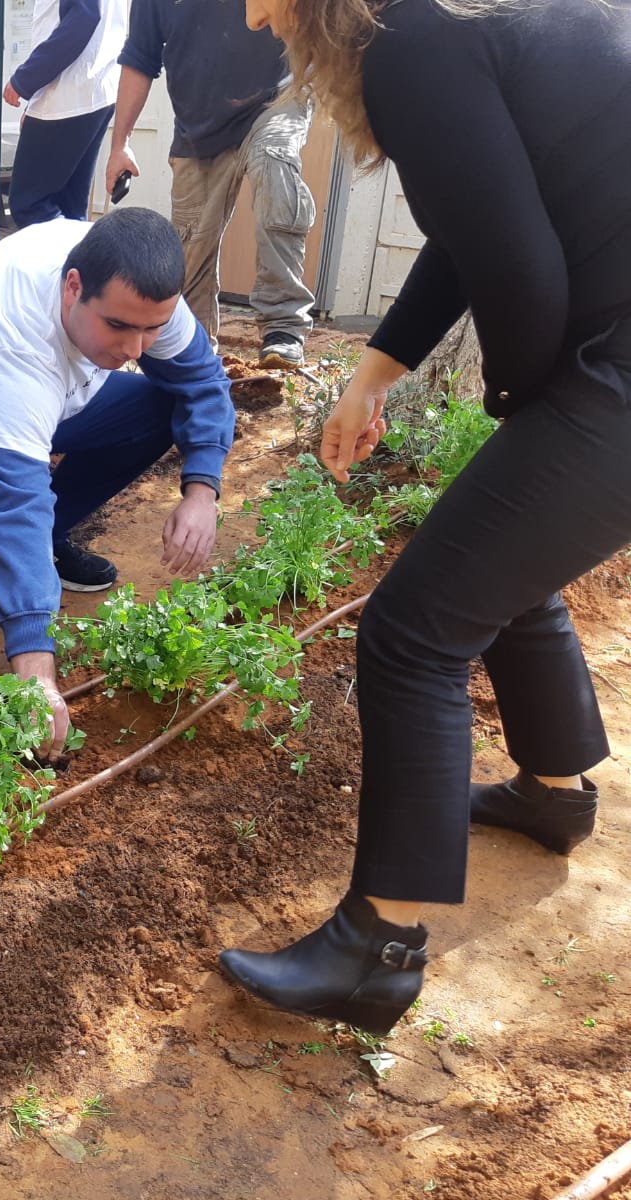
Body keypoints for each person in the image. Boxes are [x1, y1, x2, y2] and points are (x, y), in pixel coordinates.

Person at [218, 0, 631, 1036]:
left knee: (412, 631)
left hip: (618, 370)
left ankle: (378, 951)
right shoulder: (450, 26)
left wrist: (525, 408)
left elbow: (522, 274)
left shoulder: (411, 50)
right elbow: (478, 230)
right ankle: (553, 793)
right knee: (500, 562)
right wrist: (373, 374)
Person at [0, 207, 235, 754]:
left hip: (49, 403)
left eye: (152, 330)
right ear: (72, 288)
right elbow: (15, 500)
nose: (136, 350)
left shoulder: (139, 287)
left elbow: (203, 383)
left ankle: (44, 546)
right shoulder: (17, 344)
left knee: (157, 407)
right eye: (119, 327)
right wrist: (36, 673)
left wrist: (202, 490)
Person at [102, 0, 315, 366]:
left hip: (274, 101)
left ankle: (283, 326)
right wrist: (120, 144)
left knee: (273, 164)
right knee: (191, 251)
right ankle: (196, 353)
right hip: (198, 130)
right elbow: (139, 57)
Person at [2, 0, 130, 228]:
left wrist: (27, 79)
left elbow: (84, 17)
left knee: (30, 205)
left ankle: (75, 249)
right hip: (96, 87)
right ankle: (80, 250)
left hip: (65, 96)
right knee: (70, 206)